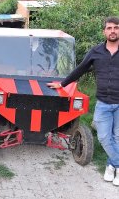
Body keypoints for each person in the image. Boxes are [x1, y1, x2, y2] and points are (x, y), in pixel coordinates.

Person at [47, 16, 119, 186]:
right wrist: (62, 84)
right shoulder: (96, 52)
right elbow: (80, 69)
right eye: (109, 28)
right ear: (104, 31)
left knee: (117, 137)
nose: (113, 31)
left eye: (116, 27)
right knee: (103, 137)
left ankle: (111, 167)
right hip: (103, 103)